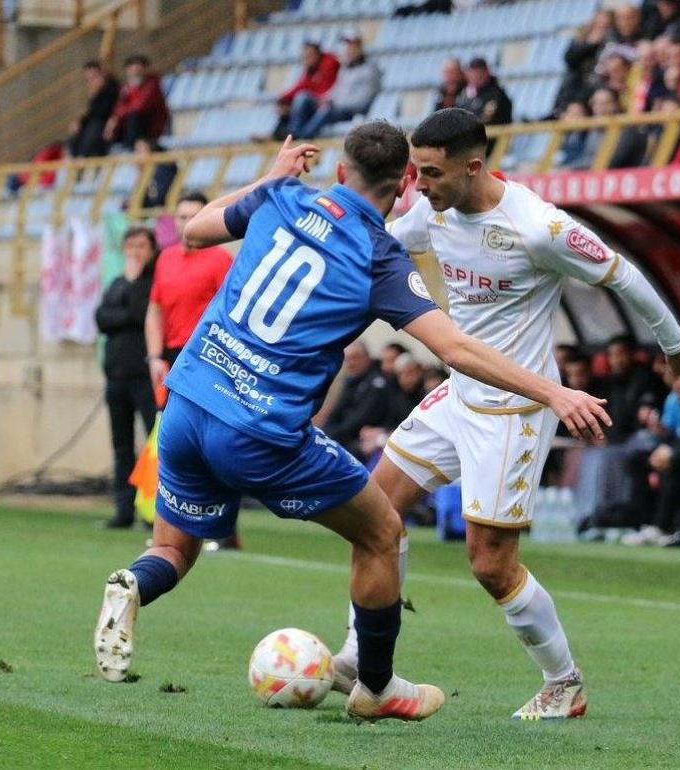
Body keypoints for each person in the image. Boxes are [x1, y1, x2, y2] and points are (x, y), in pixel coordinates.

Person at [93, 124, 613, 722]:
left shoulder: (283, 196)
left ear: (340, 172)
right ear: (407, 183)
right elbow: (457, 350)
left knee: (172, 547)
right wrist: (551, 390)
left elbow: (193, 230)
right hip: (260, 430)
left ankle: (133, 584)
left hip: (185, 403)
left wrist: (274, 172)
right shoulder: (378, 255)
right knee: (382, 533)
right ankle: (378, 686)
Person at [330, 109, 680, 720]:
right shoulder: (430, 206)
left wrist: (675, 343)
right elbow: (384, 247)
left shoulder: (538, 228)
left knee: (490, 564)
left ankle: (564, 683)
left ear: (474, 166)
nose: (417, 185)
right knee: (375, 513)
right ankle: (358, 656)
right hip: (461, 390)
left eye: (431, 172)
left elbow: (622, 274)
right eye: (414, 172)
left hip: (516, 409)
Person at [145, 191, 237, 546]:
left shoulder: (219, 260)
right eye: (181, 217)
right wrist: (155, 356)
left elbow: (229, 314)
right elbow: (155, 309)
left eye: (194, 217)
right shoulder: (166, 258)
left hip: (207, 356)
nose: (186, 224)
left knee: (210, 441)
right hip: (171, 357)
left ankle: (219, 527)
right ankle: (171, 530)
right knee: (172, 441)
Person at [95, 227, 159, 529]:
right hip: (116, 376)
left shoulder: (150, 283)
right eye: (130, 245)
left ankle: (152, 511)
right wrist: (121, 316)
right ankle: (123, 510)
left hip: (144, 377)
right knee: (121, 446)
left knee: (153, 444)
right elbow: (101, 319)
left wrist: (124, 307)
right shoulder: (117, 282)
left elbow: (139, 313)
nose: (135, 251)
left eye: (141, 245)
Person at [288, 33, 382, 139]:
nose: (349, 50)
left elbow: (362, 101)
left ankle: (304, 137)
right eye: (347, 47)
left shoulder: (370, 70)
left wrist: (334, 104)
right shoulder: (345, 68)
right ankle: (293, 135)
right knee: (303, 97)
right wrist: (325, 99)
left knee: (326, 111)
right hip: (335, 107)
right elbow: (336, 89)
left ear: (360, 48)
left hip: (350, 111)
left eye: (352, 46)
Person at [272, 42, 340, 139]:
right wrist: (282, 100)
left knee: (302, 98)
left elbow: (324, 88)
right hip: (316, 102)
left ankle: (293, 134)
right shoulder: (312, 70)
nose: (307, 59)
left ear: (318, 54)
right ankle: (277, 135)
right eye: (305, 56)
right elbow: (302, 86)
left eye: (309, 55)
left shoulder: (329, 63)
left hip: (327, 103)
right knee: (288, 106)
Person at [105, 55, 170, 150]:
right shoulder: (126, 88)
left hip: (151, 126)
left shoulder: (152, 84)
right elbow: (119, 108)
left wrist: (119, 116)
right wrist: (113, 120)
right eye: (132, 68)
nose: (135, 71)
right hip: (132, 126)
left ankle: (136, 147)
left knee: (134, 117)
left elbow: (140, 106)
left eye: (138, 68)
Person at [69, 60, 120, 158]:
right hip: (97, 123)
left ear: (103, 74)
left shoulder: (113, 89)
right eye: (88, 79)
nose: (92, 81)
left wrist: (94, 96)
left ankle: (85, 158)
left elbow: (103, 112)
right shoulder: (97, 92)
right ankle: (77, 158)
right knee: (76, 132)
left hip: (108, 124)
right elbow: (91, 113)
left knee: (94, 128)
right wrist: (79, 121)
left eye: (94, 76)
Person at [457, 58, 512, 127]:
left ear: (487, 73)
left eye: (478, 74)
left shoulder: (496, 94)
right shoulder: (465, 94)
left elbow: (487, 120)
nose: (475, 77)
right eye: (472, 73)